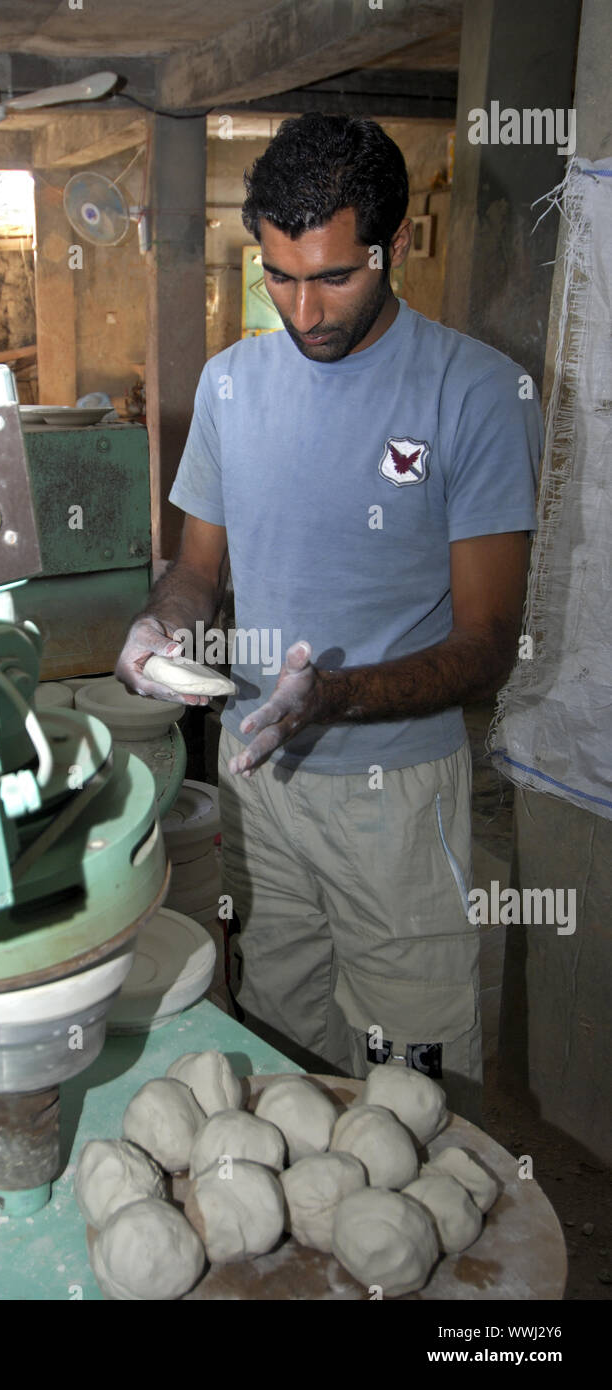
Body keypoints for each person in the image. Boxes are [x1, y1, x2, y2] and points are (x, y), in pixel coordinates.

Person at [115, 114, 542, 1120]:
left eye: (333, 277)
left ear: (390, 247)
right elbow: (196, 569)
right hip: (260, 782)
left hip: (390, 794)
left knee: (407, 1083)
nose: (302, 309)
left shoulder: (473, 393)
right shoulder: (230, 384)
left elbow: (484, 645)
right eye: (278, 274)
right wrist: (159, 625)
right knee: (279, 1033)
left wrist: (334, 697)